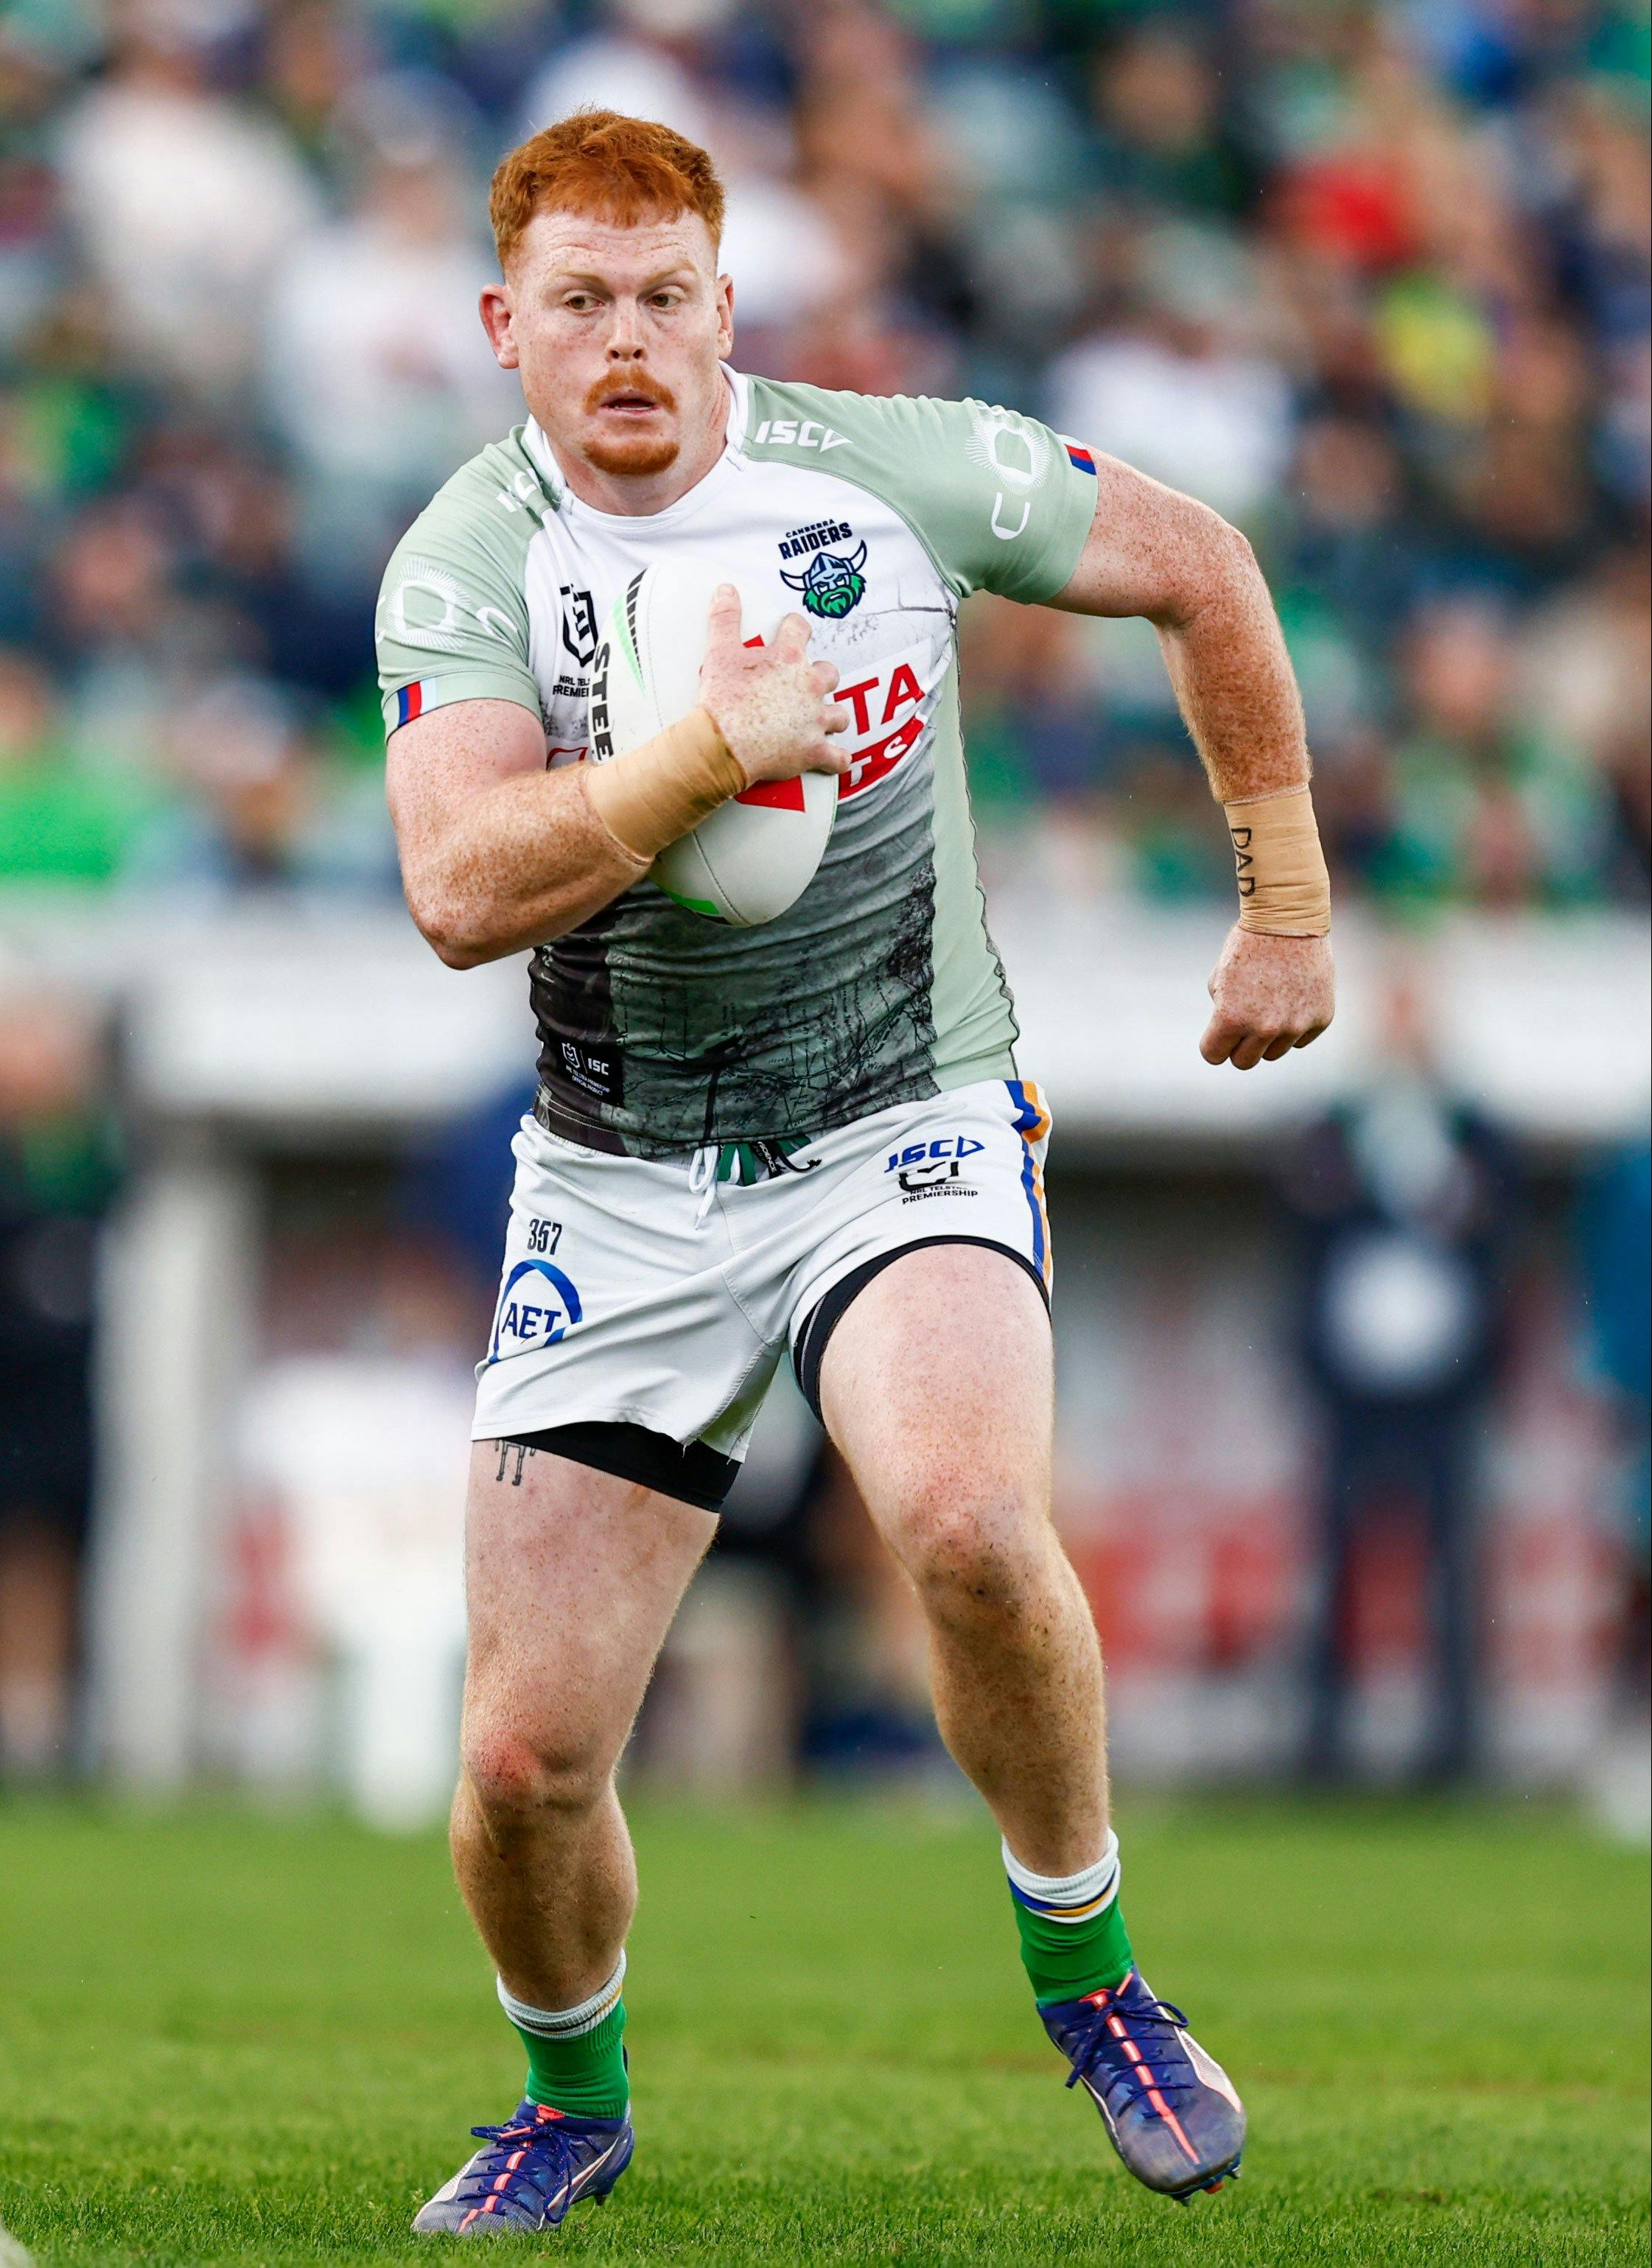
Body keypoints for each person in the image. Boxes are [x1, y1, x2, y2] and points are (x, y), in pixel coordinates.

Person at [379, 111, 1334, 2233]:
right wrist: (696, 752)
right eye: (576, 304)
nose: (625, 342)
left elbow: (1201, 564)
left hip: (902, 1115)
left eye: (662, 296)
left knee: (973, 1522)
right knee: (525, 1772)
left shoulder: (884, 472)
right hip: (618, 1178)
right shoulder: (467, 559)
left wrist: (1281, 899)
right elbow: (455, 886)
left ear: (724, 303)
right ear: (499, 326)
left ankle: (1090, 1968)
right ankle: (570, 2093)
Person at [1278, 972, 1520, 1787]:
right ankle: (1324, 1743)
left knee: (1451, 1568)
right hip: (1352, 1392)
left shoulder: (1475, 1131)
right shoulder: (1334, 1128)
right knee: (1336, 1564)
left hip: (1443, 1392)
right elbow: (1302, 1225)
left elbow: (1502, 1242)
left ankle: (1453, 1748)